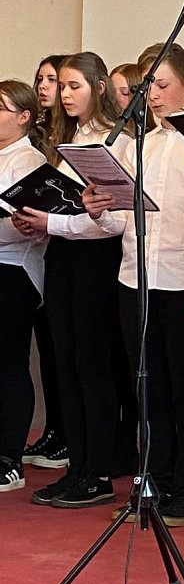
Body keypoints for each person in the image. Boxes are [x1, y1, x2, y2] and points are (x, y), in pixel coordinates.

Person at [84, 43, 184, 526]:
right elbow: (125, 220)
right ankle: (153, 480)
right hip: (135, 278)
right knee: (148, 387)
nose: (153, 95)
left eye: (161, 85)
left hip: (183, 279)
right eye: (147, 87)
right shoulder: (141, 144)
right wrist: (100, 211)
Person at [14, 52, 133, 508]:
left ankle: (97, 471)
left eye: (73, 86)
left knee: (91, 365)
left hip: (96, 263)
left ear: (99, 87)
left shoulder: (118, 141)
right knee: (65, 364)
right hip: (63, 257)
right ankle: (77, 467)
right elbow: (67, 207)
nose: (64, 95)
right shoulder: (71, 139)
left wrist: (53, 222)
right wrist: (38, 222)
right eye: (61, 86)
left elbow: (113, 220)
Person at [21, 55, 70, 471]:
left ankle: (65, 432)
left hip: (63, 246)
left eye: (53, 80)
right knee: (49, 351)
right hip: (39, 249)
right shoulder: (38, 135)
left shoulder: (66, 136)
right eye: (41, 79)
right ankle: (55, 429)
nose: (45, 87)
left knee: (62, 353)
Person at [0, 81, 48, 491]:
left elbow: (28, 227)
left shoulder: (28, 160)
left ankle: (9, 456)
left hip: (15, 270)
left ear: (24, 116)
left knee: (9, 363)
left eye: (0, 108)